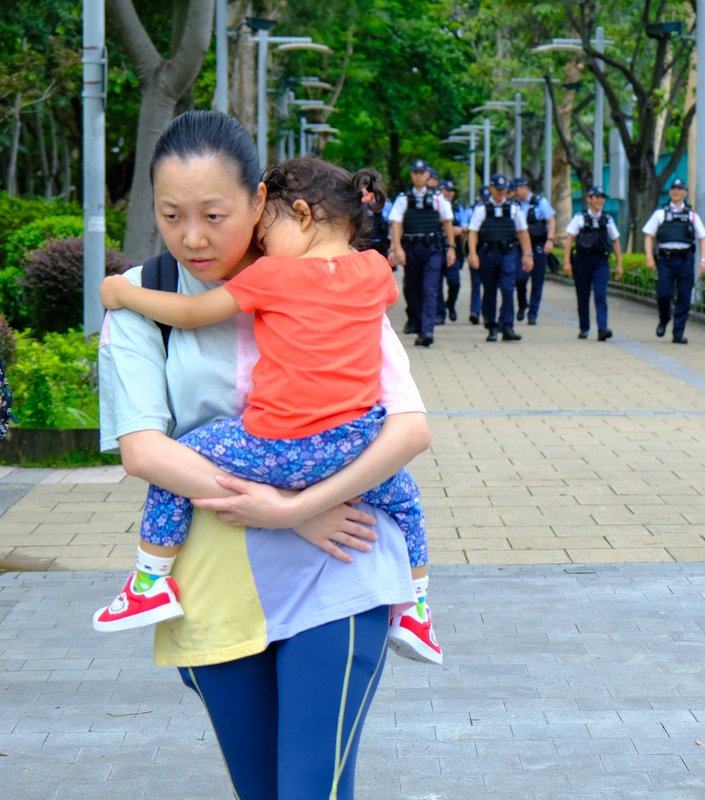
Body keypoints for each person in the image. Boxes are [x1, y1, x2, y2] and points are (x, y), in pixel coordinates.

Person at [97, 110, 432, 798]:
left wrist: (299, 510)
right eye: (171, 214)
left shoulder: (328, 282)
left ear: (258, 203)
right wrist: (285, 510)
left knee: (311, 789)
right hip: (217, 580)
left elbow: (403, 427)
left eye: (215, 214)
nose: (193, 236)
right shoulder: (140, 300)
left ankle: (415, 604)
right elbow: (144, 452)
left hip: (341, 561)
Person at [388, 159, 457, 347]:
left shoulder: (437, 198)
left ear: (428, 175)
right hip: (411, 247)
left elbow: (447, 222)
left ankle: (427, 330)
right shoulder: (404, 198)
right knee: (412, 288)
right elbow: (396, 223)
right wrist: (396, 247)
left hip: (432, 248)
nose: (418, 176)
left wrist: (451, 247)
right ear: (412, 175)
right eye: (415, 172)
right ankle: (418, 323)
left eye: (422, 172)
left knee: (430, 288)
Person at [642, 177, 705, 344]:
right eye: (673, 189)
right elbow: (649, 236)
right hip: (665, 260)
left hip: (685, 260)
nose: (676, 192)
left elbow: (703, 238)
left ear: (685, 193)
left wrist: (703, 260)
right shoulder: (660, 214)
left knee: (684, 296)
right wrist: (649, 257)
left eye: (679, 189)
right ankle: (664, 319)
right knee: (664, 294)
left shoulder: (692, 216)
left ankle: (678, 332)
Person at [467, 174, 534, 342]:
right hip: (488, 253)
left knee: (507, 289)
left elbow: (523, 232)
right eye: (497, 189)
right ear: (491, 188)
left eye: (503, 190)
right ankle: (491, 326)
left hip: (508, 253)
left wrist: (527, 254)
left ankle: (507, 326)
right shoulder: (482, 209)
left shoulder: (514, 208)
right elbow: (473, 232)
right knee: (489, 292)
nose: (500, 193)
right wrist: (473, 253)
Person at [563, 186, 623, 341]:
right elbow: (569, 238)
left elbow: (615, 241)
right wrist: (567, 262)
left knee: (600, 294)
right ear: (589, 199)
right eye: (596, 197)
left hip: (600, 261)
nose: (599, 200)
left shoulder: (607, 219)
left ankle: (602, 328)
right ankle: (584, 328)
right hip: (582, 260)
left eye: (602, 198)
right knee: (582, 295)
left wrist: (619, 264)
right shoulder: (580, 218)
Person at [511, 177, 556, 325]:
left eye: (516, 189)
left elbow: (551, 220)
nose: (515, 193)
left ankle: (533, 313)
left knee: (537, 281)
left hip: (538, 245)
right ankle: (522, 303)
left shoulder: (539, 202)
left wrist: (550, 240)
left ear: (524, 188)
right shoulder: (514, 204)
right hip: (520, 247)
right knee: (520, 278)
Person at [435, 180, 469, 324]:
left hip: (454, 250)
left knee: (454, 282)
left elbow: (467, 226)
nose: (449, 193)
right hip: (436, 249)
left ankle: (451, 304)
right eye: (446, 190)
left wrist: (460, 230)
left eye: (451, 190)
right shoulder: (434, 206)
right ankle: (440, 313)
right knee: (436, 283)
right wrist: (449, 230)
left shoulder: (458, 208)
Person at [467, 186, 489, 325]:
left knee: (489, 284)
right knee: (476, 282)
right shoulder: (474, 210)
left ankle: (486, 312)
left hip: (489, 250)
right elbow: (470, 230)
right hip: (477, 248)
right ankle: (475, 311)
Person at [358, 169, 390, 259]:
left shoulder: (385, 205)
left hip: (381, 247)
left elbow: (391, 226)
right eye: (362, 188)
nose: (365, 191)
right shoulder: (356, 205)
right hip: (362, 248)